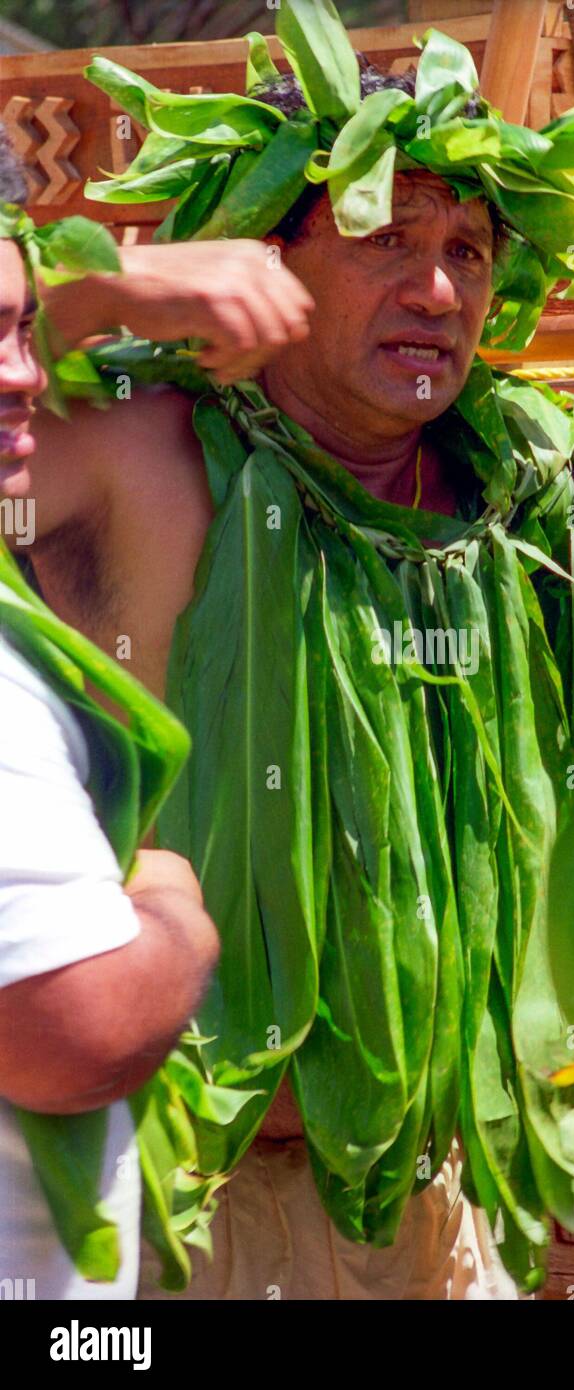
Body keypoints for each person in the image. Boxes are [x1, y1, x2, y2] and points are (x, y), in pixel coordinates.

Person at [10, 10, 574, 1298]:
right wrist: (91, 299)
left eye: (466, 248)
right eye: (383, 237)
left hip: (431, 1201)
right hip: (172, 1211)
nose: (438, 288)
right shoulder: (137, 461)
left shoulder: (527, 496)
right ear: (265, 259)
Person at [0, 130, 220, 1299]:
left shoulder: (478, 493)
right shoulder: (130, 444)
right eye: (383, 237)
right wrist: (174, 904)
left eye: (21, 326)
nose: (24, 368)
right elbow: (74, 1029)